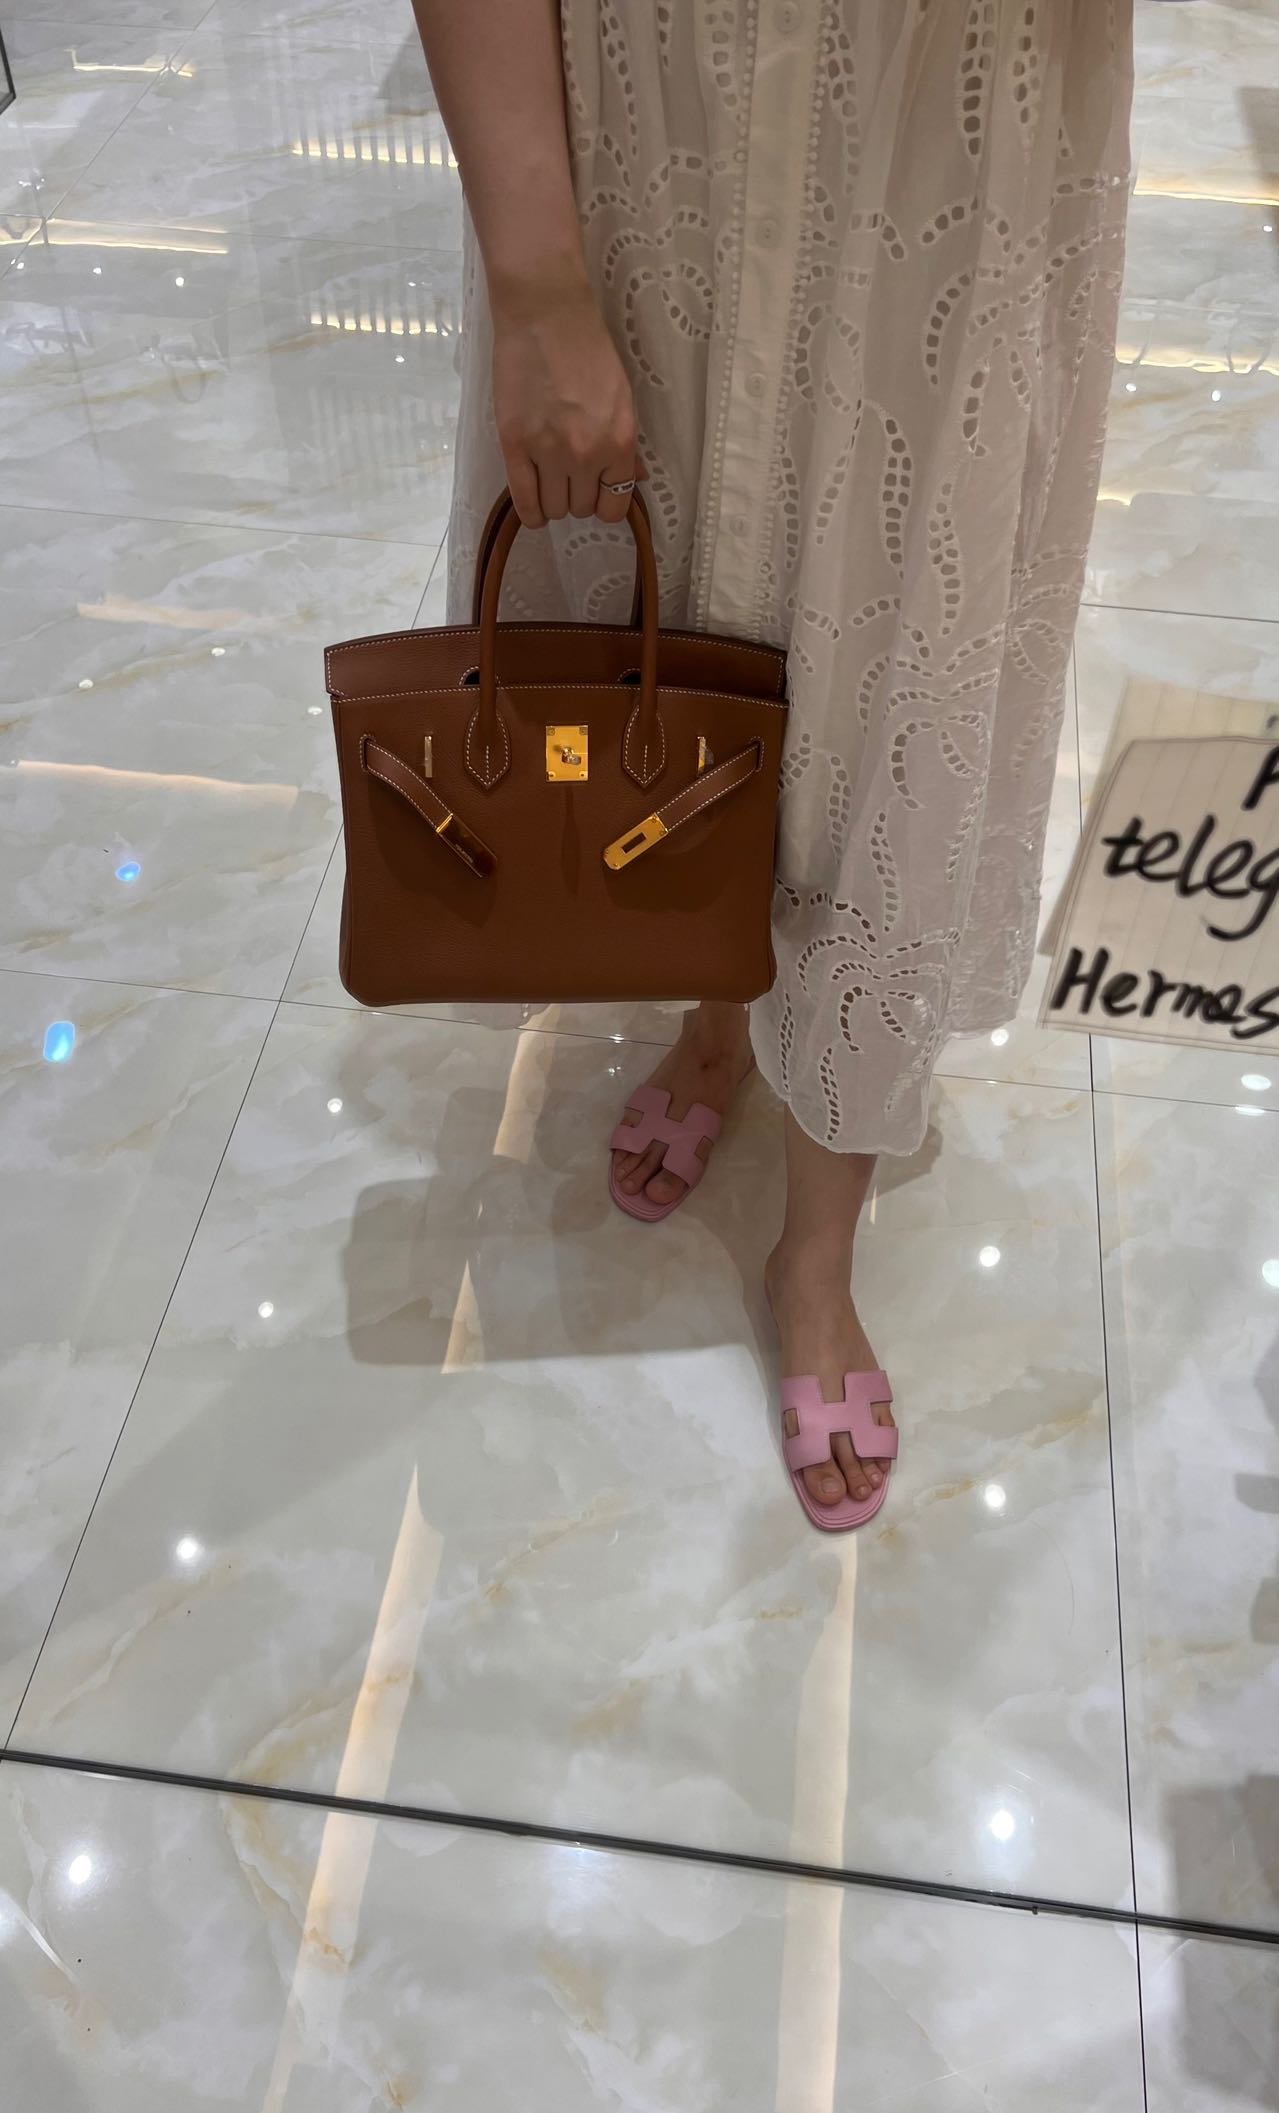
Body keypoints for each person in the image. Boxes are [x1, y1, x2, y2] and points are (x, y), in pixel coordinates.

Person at [410, 0, 1134, 1530]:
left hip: (962, 136)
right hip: (650, 107)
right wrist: (533, 278)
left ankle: (816, 1251)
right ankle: (716, 1020)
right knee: (669, 630)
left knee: (900, 675)